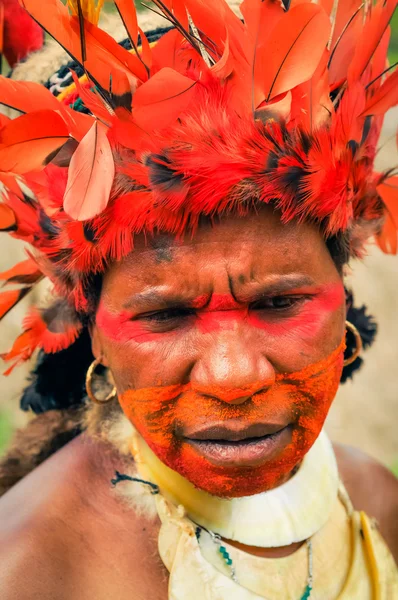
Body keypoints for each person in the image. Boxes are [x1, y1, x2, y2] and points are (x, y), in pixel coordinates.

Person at [0, 0, 397, 598]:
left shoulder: (375, 501)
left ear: (342, 300)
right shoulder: (30, 571)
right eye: (164, 314)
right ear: (94, 335)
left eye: (279, 302)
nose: (234, 376)